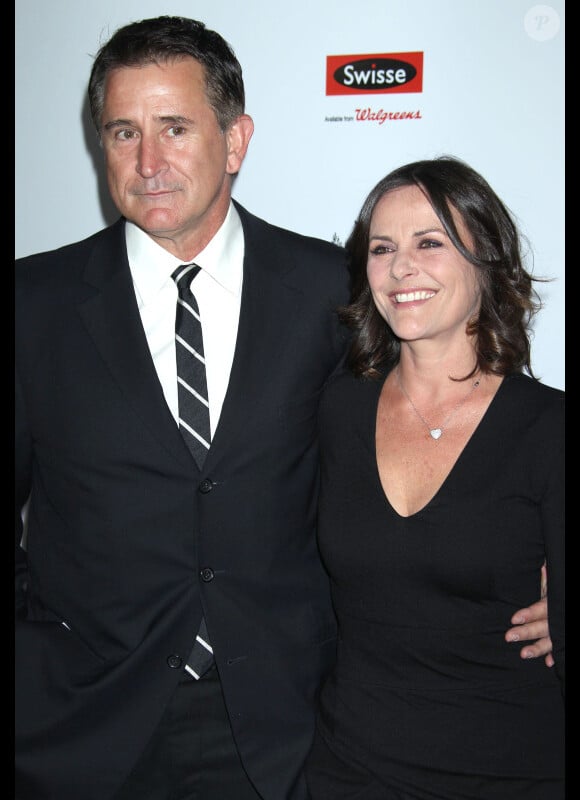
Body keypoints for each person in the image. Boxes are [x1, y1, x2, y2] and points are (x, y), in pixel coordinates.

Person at [14, 17, 553, 800]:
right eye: (123, 132)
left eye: (175, 128)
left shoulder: (334, 292)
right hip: (81, 724)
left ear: (236, 141)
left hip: (284, 726)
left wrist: (537, 563)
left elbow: (438, 432)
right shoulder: (34, 304)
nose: (149, 161)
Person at [304, 156, 565, 799]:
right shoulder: (336, 410)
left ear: (489, 263)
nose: (400, 268)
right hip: (350, 769)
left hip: (512, 773)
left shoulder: (549, 428)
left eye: (430, 243)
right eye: (382, 248)